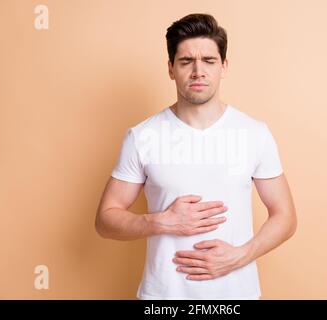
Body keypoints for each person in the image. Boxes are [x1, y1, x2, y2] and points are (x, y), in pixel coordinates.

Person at [95, 13, 297, 300]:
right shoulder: (142, 136)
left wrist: (239, 256)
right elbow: (105, 221)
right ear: (171, 69)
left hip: (236, 297)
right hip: (163, 298)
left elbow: (285, 216)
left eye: (209, 61)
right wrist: (160, 222)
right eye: (186, 61)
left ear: (224, 67)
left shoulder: (254, 133)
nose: (198, 71)